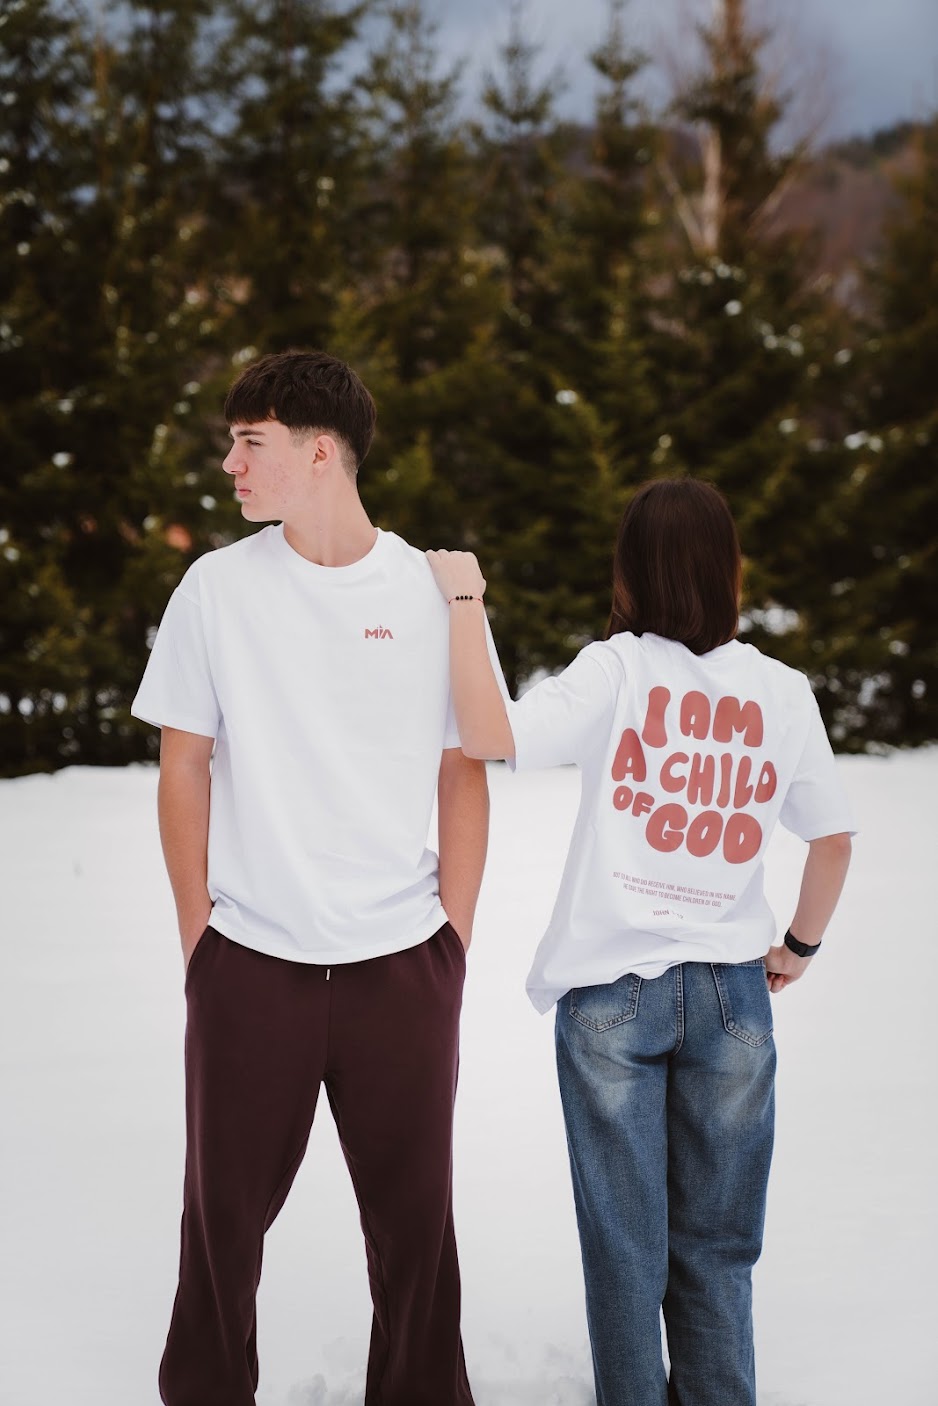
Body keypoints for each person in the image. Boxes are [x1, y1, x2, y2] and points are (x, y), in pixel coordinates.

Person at [426, 477, 855, 1406]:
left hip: (611, 998)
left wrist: (464, 599)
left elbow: (491, 733)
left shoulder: (615, 671)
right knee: (720, 1247)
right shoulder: (782, 692)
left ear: (631, 571)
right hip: (735, 998)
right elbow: (832, 841)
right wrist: (799, 947)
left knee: (625, 1251)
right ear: (728, 569)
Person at [131, 349, 497, 1406]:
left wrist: (453, 939)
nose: (231, 465)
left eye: (251, 442)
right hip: (251, 960)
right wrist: (200, 939)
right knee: (219, 1229)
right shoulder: (215, 588)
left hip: (401, 964)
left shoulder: (430, 591)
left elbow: (465, 769)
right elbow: (183, 764)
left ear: (321, 451)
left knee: (416, 1231)